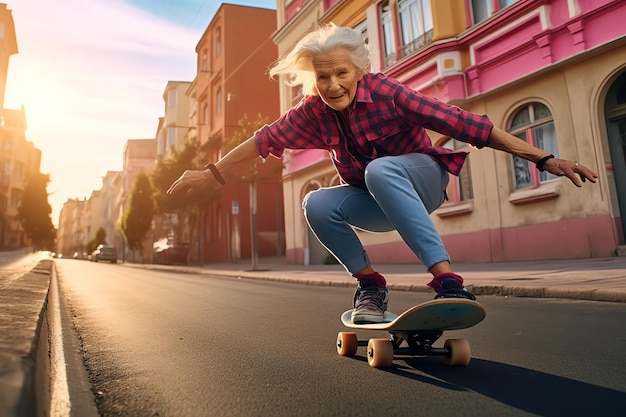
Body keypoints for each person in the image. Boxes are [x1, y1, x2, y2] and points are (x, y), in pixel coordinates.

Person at [167, 23, 598, 323]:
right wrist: (213, 174)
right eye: (323, 77)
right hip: (376, 198)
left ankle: (448, 280)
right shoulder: (310, 113)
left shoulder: (391, 94)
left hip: (423, 180)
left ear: (359, 71)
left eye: (342, 74)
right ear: (312, 80)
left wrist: (543, 159)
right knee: (316, 200)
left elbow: (471, 127)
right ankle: (370, 286)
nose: (333, 85)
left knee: (381, 168)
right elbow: (260, 141)